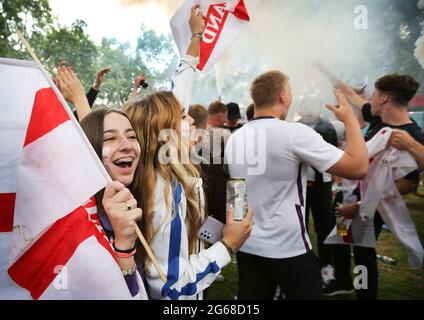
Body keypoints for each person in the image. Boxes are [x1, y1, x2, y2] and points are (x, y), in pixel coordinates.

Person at [123, 5, 253, 300]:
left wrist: (196, 34)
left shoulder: (163, 166)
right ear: (162, 133)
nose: (192, 119)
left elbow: (181, 82)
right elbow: (172, 290)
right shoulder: (166, 192)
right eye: (183, 117)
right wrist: (227, 246)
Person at [225, 70, 368, 300]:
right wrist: (350, 118)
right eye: (290, 92)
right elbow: (358, 167)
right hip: (287, 247)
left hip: (248, 245)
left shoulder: (235, 137)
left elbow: (236, 191)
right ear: (283, 96)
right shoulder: (293, 133)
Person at [325, 73, 423, 299]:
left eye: (375, 94)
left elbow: (405, 186)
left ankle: (365, 295)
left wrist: (358, 206)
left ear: (384, 99)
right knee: (340, 239)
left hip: (368, 209)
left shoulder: (411, 136)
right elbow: (350, 94)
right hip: (345, 198)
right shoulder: (378, 118)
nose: (369, 99)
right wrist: (325, 70)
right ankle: (342, 281)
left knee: (362, 256)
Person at [56, 65, 148, 299]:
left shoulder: (134, 201)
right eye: (110, 138)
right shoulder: (76, 220)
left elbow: (132, 291)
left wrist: (125, 245)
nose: (127, 145)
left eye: (131, 136)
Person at [297, 97, 339, 287]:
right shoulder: (294, 128)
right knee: (299, 226)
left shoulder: (327, 127)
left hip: (322, 185)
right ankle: (302, 265)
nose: (309, 111)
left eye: (312, 106)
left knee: (324, 225)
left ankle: (327, 266)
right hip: (300, 185)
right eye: (305, 106)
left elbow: (332, 156)